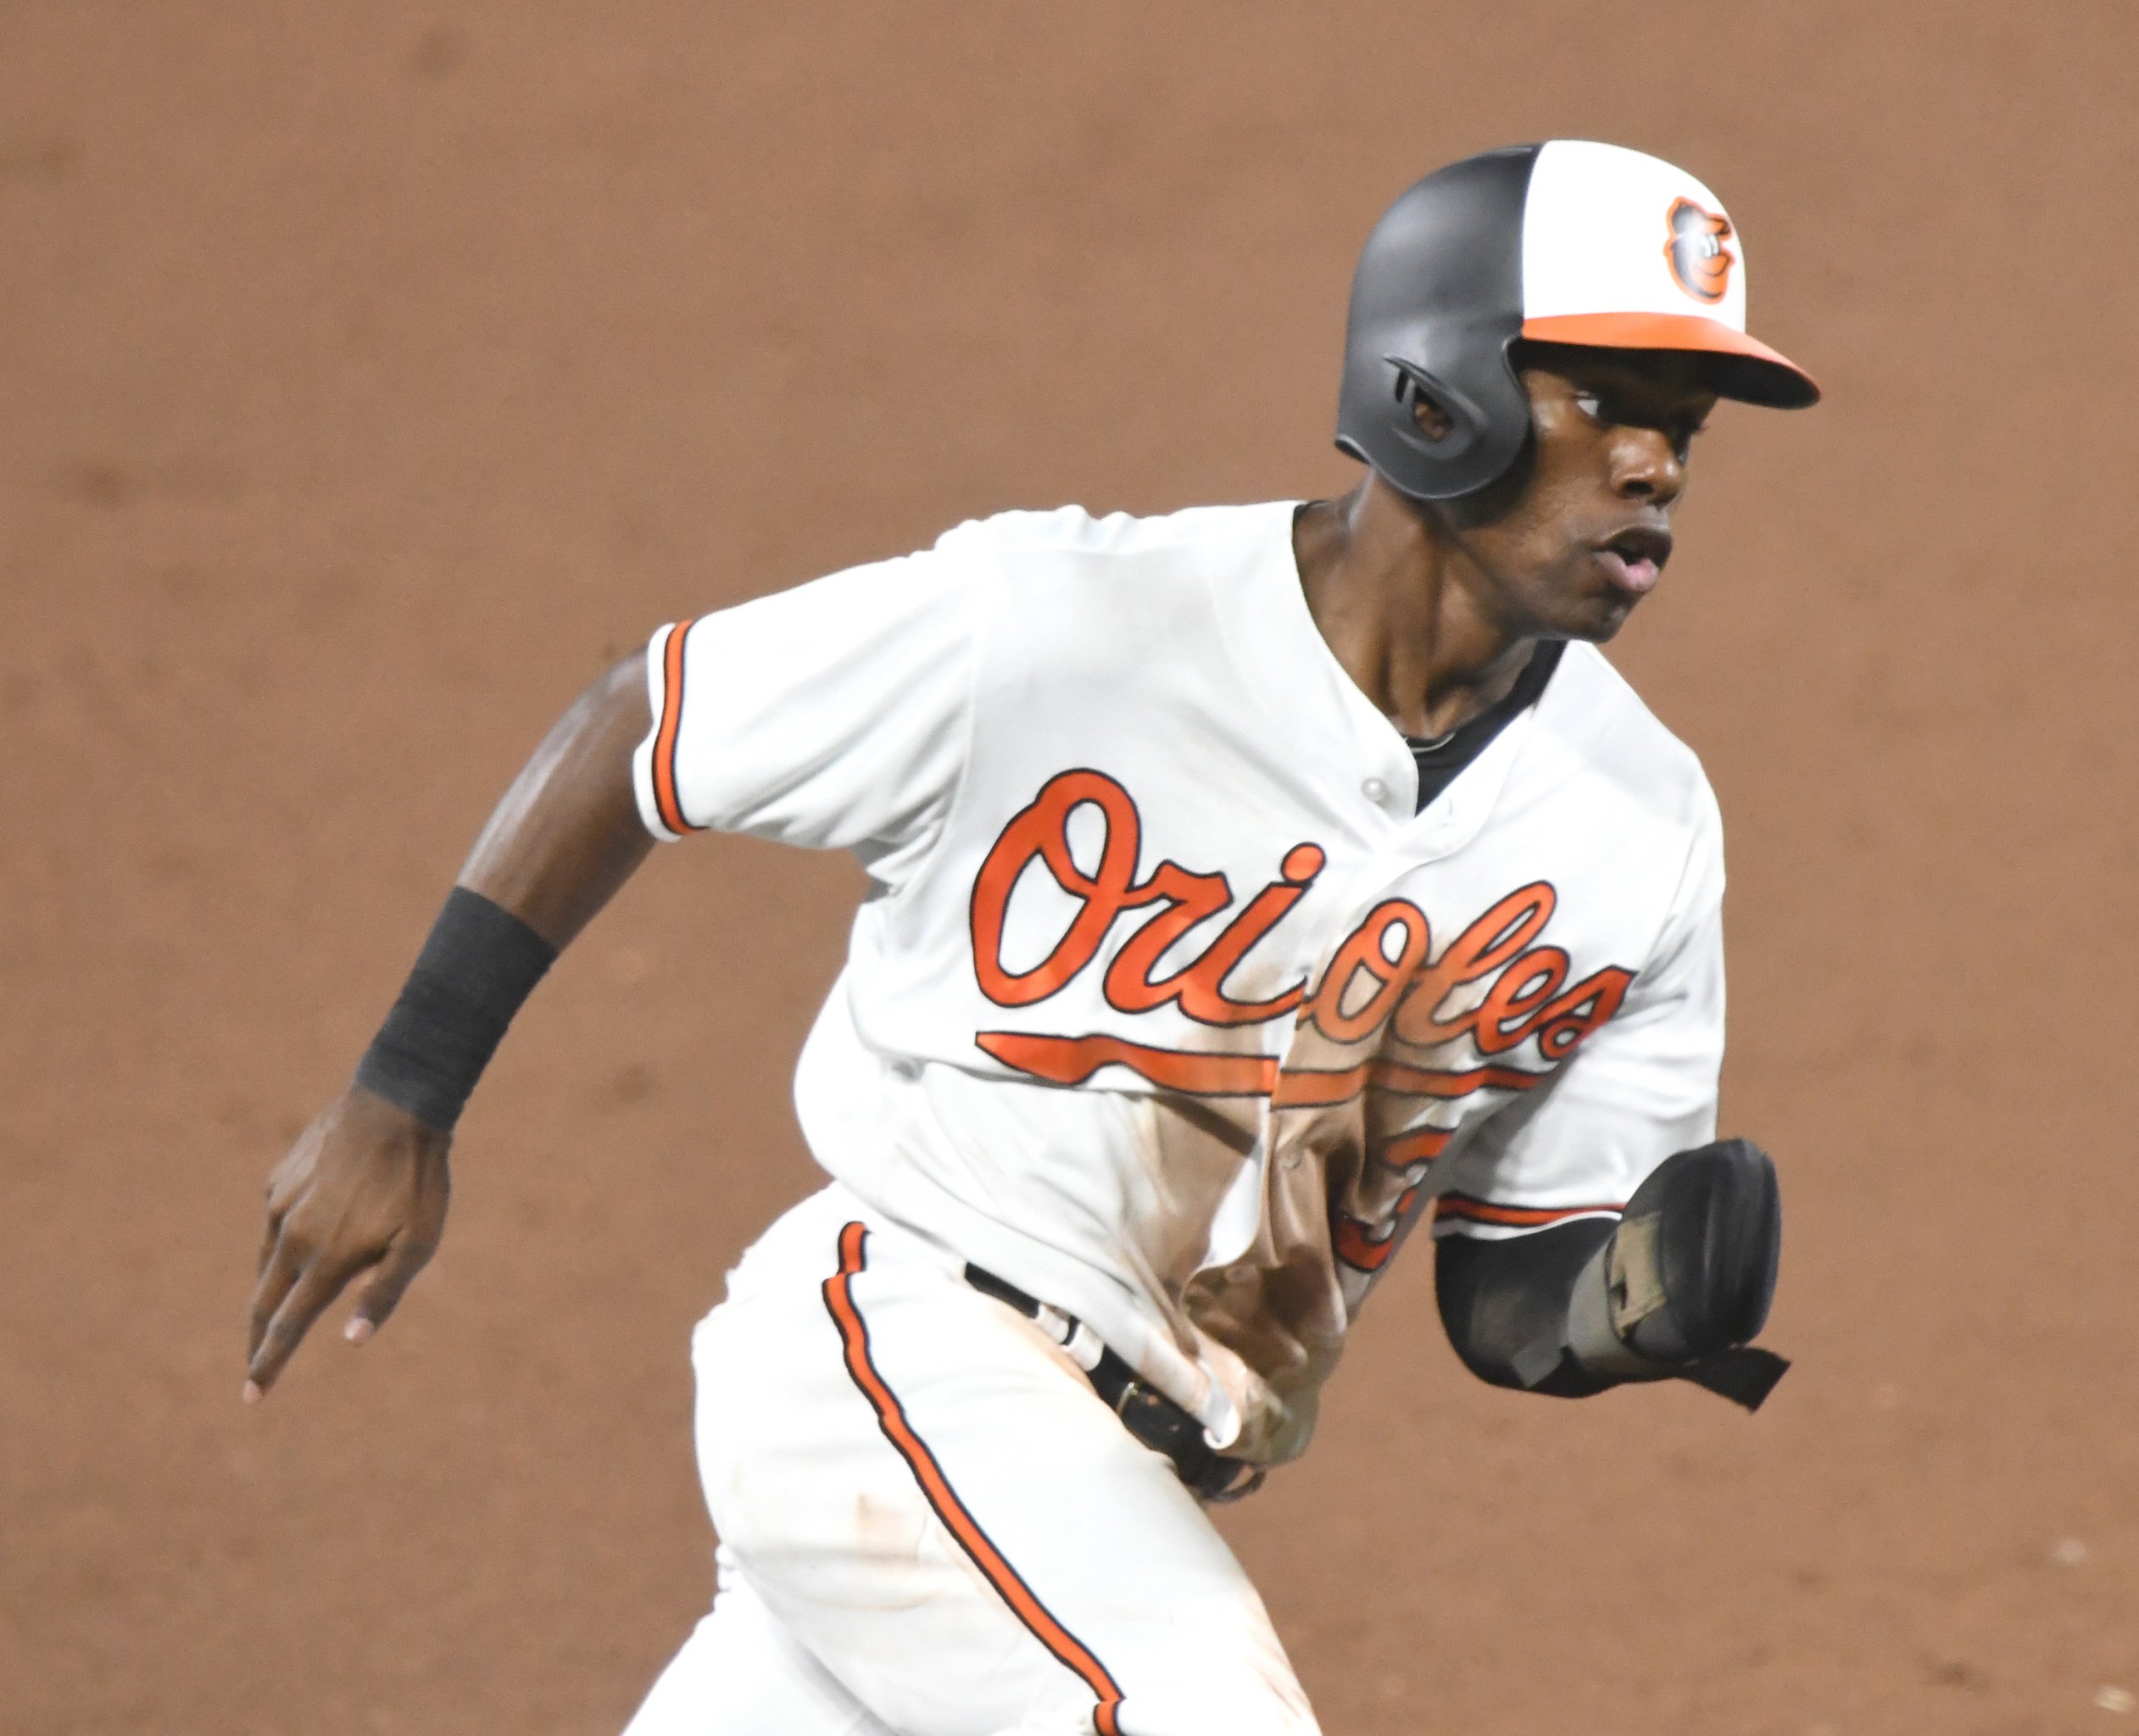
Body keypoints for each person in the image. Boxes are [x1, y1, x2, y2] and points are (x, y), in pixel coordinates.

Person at [247, 138, 1814, 1735]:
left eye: (1680, 430)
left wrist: (1625, 1306)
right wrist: (402, 1095)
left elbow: (1506, 1297)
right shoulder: (1061, 623)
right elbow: (654, 718)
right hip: (905, 1355)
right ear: (1438, 390)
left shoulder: (1643, 830)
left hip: (1109, 1494)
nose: (1658, 467)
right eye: (1609, 403)